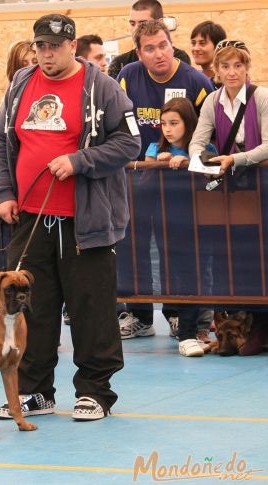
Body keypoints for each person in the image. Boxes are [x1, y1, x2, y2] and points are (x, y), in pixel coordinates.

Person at [0, 14, 140, 421]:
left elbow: (130, 142)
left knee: (91, 307)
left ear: (72, 46)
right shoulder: (20, 83)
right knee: (29, 307)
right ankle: (34, 391)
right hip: (30, 218)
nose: (47, 53)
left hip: (85, 221)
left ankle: (95, 391)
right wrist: (4, 192)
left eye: (55, 46)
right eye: (41, 46)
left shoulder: (102, 87)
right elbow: (1, 141)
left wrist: (80, 160)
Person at [116, 20, 214, 340]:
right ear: (139, 53)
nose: (159, 54)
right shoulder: (128, 77)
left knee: (178, 250)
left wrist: (191, 157)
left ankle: (177, 314)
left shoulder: (196, 82)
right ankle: (139, 314)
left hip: (181, 187)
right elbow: (118, 123)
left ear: (172, 44)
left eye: (163, 45)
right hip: (138, 183)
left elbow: (211, 132)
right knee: (135, 248)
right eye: (150, 48)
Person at [189, 40, 268, 310]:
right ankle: (232, 318)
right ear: (217, 70)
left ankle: (260, 323)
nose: (232, 72)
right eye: (225, 66)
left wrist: (235, 158)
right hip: (229, 187)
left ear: (247, 68)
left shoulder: (262, 97)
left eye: (238, 65)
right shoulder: (212, 100)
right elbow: (197, 142)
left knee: (261, 254)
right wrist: (203, 163)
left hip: (261, 184)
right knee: (228, 255)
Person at [144, 97, 216, 355]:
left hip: (200, 224)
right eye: (164, 123)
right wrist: (158, 165)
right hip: (166, 225)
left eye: (174, 123)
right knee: (173, 277)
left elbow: (214, 182)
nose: (168, 129)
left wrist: (189, 163)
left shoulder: (206, 147)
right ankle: (183, 330)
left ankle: (195, 330)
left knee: (198, 275)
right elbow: (142, 183)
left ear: (189, 123)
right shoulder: (154, 149)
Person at [107, 0, 192, 79]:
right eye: (132, 24)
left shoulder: (179, 58)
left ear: (160, 23)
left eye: (143, 24)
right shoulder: (119, 63)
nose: (136, 29)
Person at [190, 21, 227, 86]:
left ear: (218, 47)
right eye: (193, 43)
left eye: (202, 43)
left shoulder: (227, 81)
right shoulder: (193, 79)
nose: (196, 48)